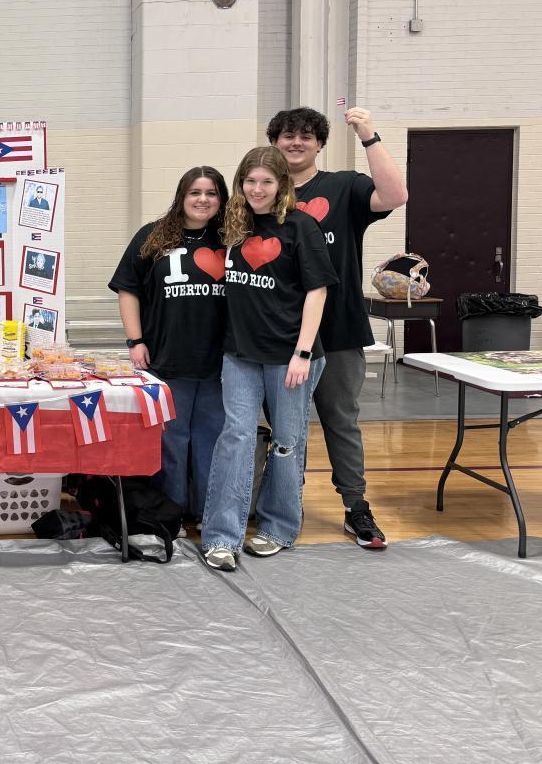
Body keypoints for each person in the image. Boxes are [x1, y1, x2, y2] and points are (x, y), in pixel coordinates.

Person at [269, 106, 408, 549]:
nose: (296, 142)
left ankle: (356, 506)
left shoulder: (344, 186)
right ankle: (284, 503)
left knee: (341, 421)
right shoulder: (261, 193)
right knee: (283, 427)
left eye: (306, 136)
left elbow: (396, 195)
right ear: (274, 142)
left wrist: (369, 135)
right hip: (277, 333)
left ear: (320, 144)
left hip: (340, 329)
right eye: (288, 135)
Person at [200, 147, 337, 571]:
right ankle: (222, 536)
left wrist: (302, 353)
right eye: (250, 181)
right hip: (241, 354)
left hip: (290, 357)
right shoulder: (233, 226)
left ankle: (278, 527)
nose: (257, 189)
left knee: (286, 442)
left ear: (282, 185)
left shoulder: (301, 226)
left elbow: (317, 291)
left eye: (266, 182)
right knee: (235, 438)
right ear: (240, 183)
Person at [110, 166, 229, 528]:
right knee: (171, 443)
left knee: (213, 443)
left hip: (222, 363)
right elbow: (128, 289)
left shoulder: (233, 238)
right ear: (181, 196)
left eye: (211, 193)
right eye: (195, 192)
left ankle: (209, 515)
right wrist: (135, 341)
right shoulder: (152, 235)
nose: (202, 199)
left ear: (221, 198)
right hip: (167, 358)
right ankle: (171, 515)